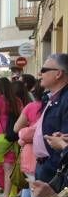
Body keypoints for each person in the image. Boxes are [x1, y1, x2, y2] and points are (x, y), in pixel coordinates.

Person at [13, 81, 46, 197]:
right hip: (51, 154)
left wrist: (24, 135)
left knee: (33, 189)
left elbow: (16, 128)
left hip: (32, 154)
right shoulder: (53, 107)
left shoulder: (32, 107)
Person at [36, 54, 68, 183]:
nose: (39, 74)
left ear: (58, 74)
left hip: (55, 172)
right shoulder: (49, 97)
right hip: (44, 167)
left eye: (44, 70)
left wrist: (50, 168)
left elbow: (63, 140)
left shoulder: (65, 99)